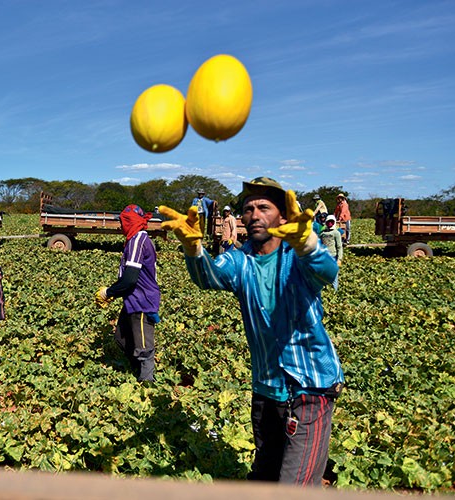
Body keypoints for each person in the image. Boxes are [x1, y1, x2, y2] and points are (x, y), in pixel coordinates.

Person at [159, 177, 344, 486]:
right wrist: (193, 249)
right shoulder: (240, 261)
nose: (254, 215)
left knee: (294, 485)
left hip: (310, 388)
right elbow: (211, 276)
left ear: (283, 217)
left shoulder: (296, 258)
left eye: (264, 207)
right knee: (264, 478)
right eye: (248, 209)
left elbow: (327, 270)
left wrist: (308, 245)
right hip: (267, 390)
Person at [96, 205, 160, 382]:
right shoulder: (134, 239)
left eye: (123, 222)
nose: (120, 226)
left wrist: (108, 292)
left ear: (130, 222)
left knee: (144, 346)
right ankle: (134, 370)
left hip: (142, 300)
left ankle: (147, 383)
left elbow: (130, 279)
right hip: (133, 298)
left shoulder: (138, 240)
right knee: (122, 338)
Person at [320, 215, 343, 290]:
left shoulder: (336, 233)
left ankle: (335, 290)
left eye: (331, 222)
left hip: (333, 256)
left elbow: (339, 247)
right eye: (328, 222)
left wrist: (339, 259)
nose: (329, 223)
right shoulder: (322, 233)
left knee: (334, 275)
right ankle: (326, 289)